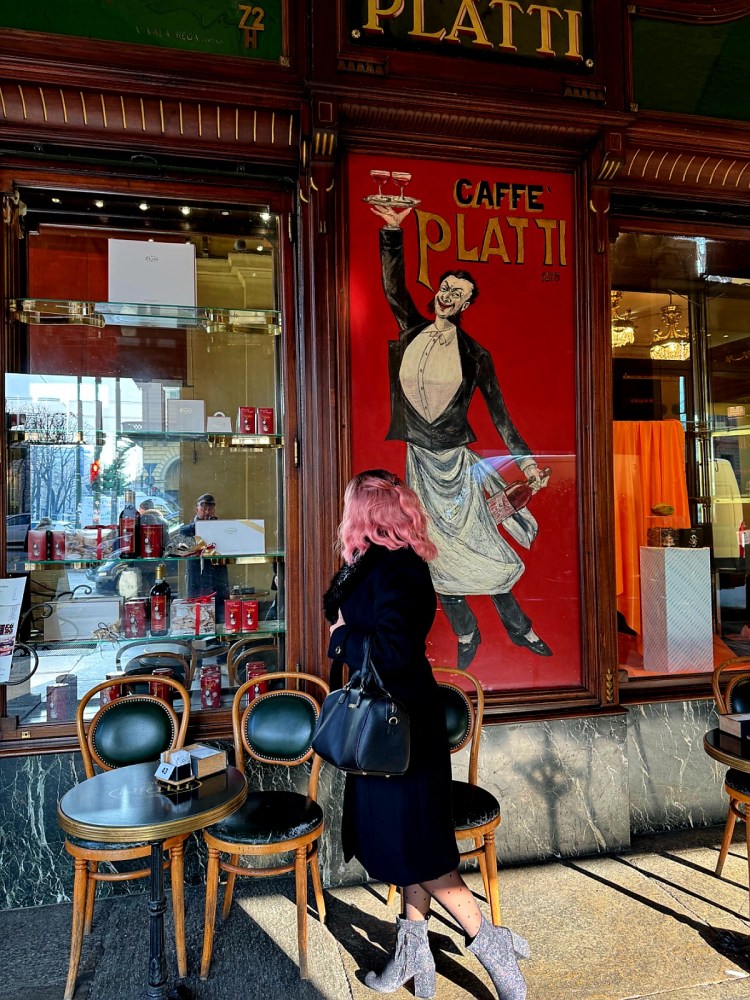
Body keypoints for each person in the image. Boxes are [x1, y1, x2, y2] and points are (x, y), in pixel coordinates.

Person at [324, 469, 528, 1000]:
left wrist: (343, 639)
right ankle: (413, 957)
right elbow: (339, 603)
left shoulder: (403, 571)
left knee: (416, 851)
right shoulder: (370, 565)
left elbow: (391, 652)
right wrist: (343, 614)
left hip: (401, 733)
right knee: (403, 847)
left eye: (351, 507)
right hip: (384, 730)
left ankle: (490, 941)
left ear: (364, 513)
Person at [371, 200, 551, 669]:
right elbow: (393, 287)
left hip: (457, 465)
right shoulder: (411, 329)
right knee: (437, 557)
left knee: (483, 551)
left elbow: (501, 416)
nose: (448, 296)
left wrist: (527, 462)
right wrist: (393, 229)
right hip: (419, 463)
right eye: (445, 288)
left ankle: (522, 631)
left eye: (459, 293)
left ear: (467, 304)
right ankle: (467, 634)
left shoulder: (477, 355)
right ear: (437, 293)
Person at [183, 493, 230, 623]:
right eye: (204, 509)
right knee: (197, 609)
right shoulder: (187, 530)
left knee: (220, 609)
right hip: (197, 573)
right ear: (196, 509)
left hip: (218, 574)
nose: (207, 512)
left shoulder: (222, 528)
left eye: (210, 509)